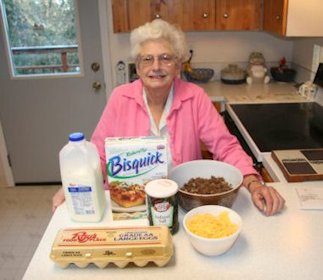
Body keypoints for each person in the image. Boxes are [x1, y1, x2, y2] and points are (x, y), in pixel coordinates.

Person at [52, 19, 285, 216]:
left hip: (183, 205)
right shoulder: (120, 98)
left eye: (166, 58)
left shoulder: (195, 98)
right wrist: (78, 186)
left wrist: (254, 183)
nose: (156, 66)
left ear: (178, 65)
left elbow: (225, 147)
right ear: (138, 66)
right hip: (131, 208)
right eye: (147, 59)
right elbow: (100, 154)